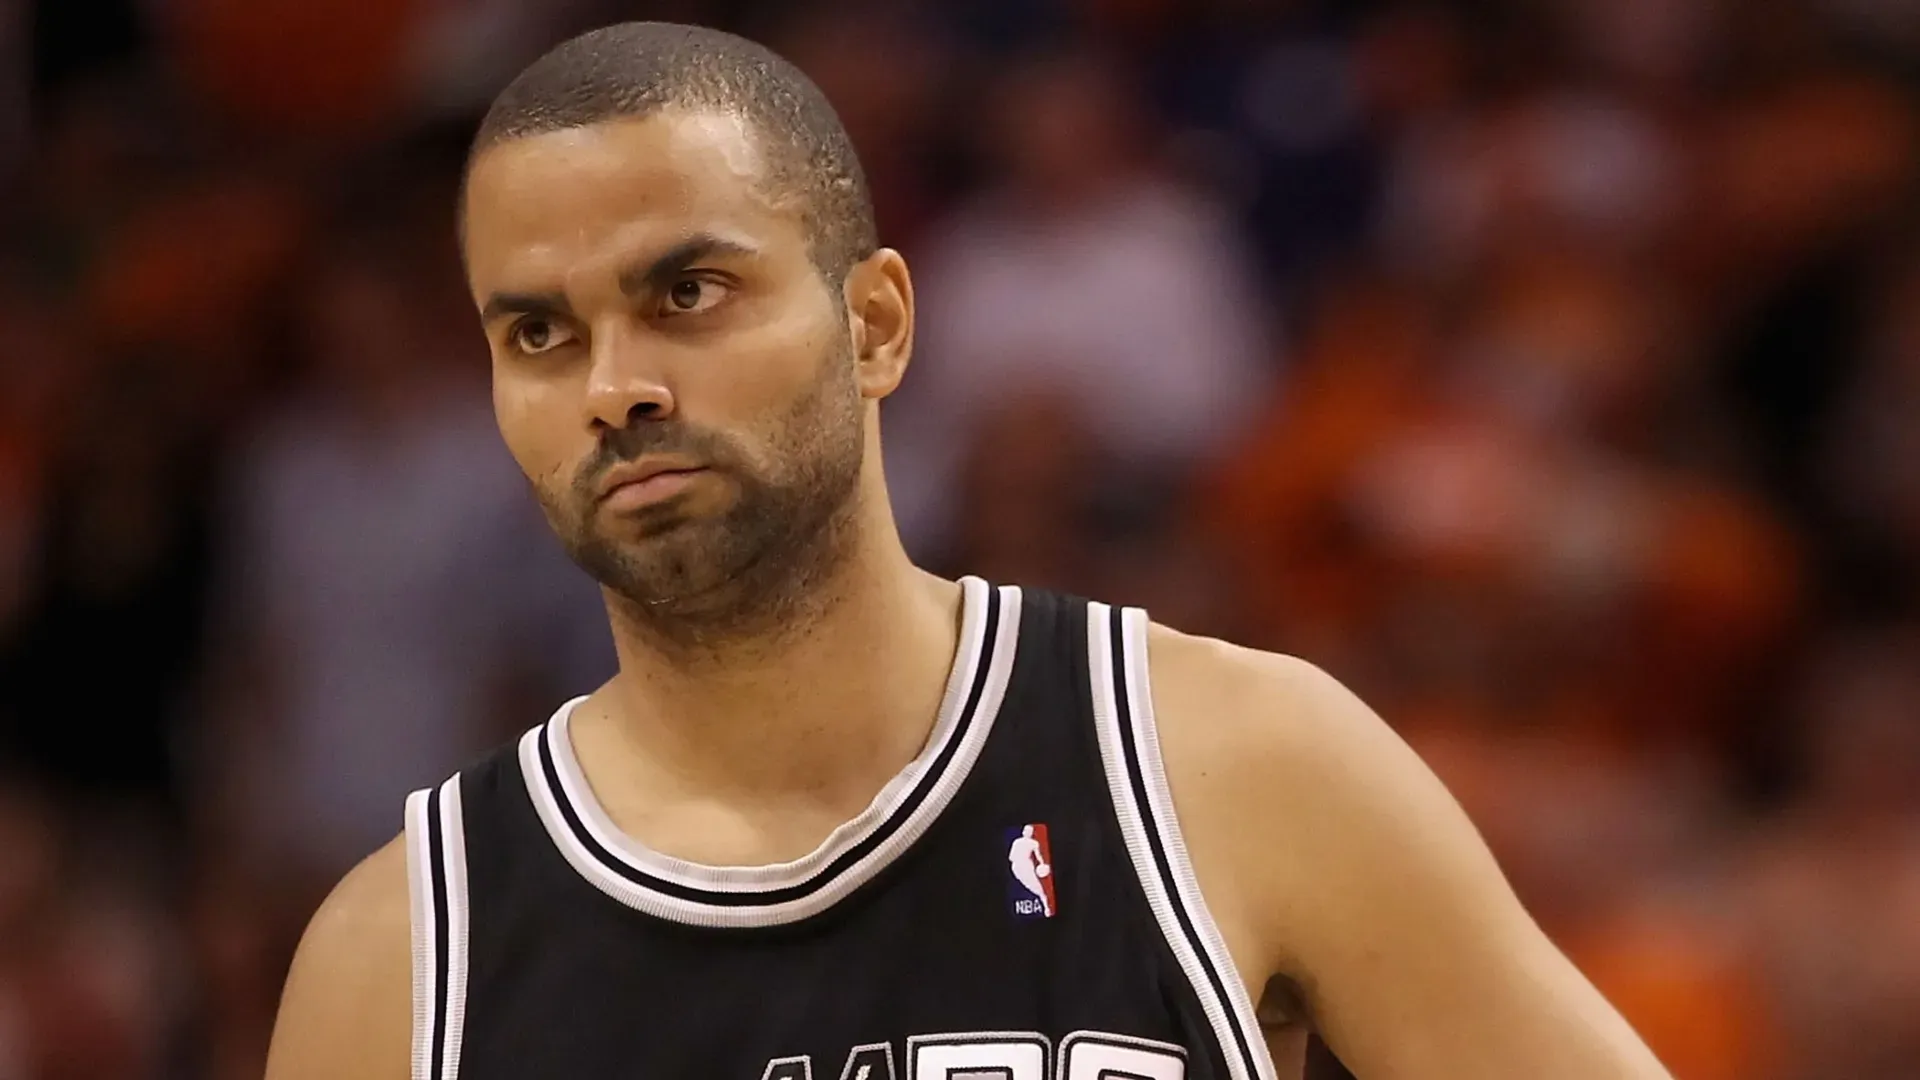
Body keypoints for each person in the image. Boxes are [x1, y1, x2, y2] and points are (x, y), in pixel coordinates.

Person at [264, 22, 1671, 1080]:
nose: (612, 386)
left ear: (875, 324)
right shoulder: (401, 960)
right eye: (538, 334)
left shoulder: (1235, 764)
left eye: (686, 292)